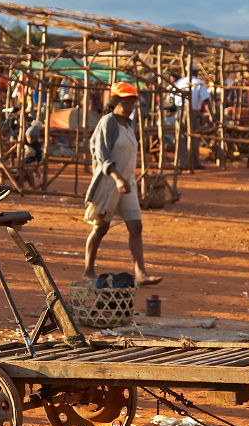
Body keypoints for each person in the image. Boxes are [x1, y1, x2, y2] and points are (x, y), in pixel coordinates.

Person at [83, 82, 161, 286]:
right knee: (101, 228)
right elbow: (102, 154)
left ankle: (141, 273)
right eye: (124, 102)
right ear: (115, 101)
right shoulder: (108, 122)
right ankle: (89, 270)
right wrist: (117, 178)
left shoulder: (128, 125)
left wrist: (126, 180)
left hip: (128, 184)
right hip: (109, 183)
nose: (129, 106)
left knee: (136, 226)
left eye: (132, 102)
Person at [173, 65, 212, 169]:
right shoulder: (199, 83)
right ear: (196, 72)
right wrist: (211, 116)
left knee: (181, 138)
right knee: (194, 137)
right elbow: (206, 100)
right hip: (192, 112)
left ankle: (183, 162)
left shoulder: (179, 82)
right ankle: (194, 162)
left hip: (179, 111)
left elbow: (171, 97)